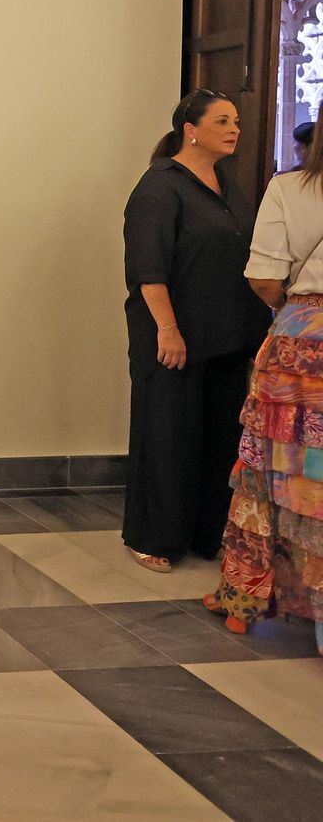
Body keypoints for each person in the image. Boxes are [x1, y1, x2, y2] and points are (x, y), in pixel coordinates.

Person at [121, 90, 269, 574]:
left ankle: (206, 536)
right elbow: (148, 269)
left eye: (237, 121)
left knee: (216, 437)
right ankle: (153, 538)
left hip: (227, 333)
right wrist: (168, 329)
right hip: (174, 337)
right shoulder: (159, 187)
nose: (235, 129)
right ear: (190, 129)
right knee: (167, 437)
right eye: (223, 121)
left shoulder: (228, 182)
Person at [203, 124, 323, 656]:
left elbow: (264, 278)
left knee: (273, 471)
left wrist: (294, 309)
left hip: (303, 341)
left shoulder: (291, 188)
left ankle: (246, 597)